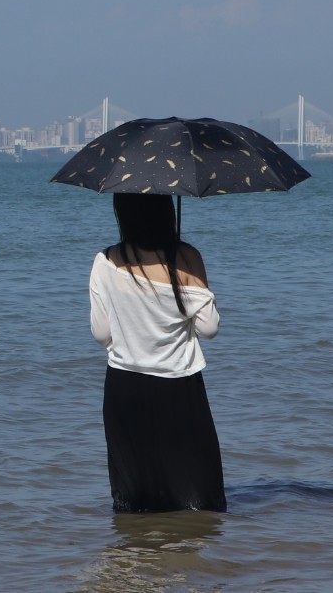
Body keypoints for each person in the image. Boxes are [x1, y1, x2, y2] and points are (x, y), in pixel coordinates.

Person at [88, 192, 226, 513]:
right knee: (196, 501)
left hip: (123, 388)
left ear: (121, 211)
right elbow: (209, 328)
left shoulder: (104, 261)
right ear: (166, 210)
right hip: (179, 388)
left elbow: (101, 334)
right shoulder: (187, 257)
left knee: (135, 501)